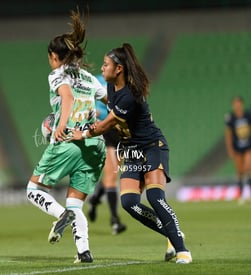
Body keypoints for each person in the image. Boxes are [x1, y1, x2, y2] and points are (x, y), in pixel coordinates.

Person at [71, 43, 192, 264]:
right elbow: (109, 120)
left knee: (155, 198)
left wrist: (83, 133)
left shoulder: (129, 95)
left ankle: (182, 250)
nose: (102, 67)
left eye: (106, 64)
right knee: (129, 203)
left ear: (118, 69)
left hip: (152, 147)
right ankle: (172, 234)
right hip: (133, 152)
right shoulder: (111, 89)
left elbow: (106, 125)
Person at [26, 9, 107, 263]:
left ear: (54, 56)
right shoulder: (89, 78)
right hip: (95, 145)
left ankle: (62, 215)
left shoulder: (57, 74)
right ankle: (83, 251)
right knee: (76, 202)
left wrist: (61, 126)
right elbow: (111, 104)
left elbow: (67, 97)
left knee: (33, 189)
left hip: (68, 140)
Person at [88, 94, 127, 235]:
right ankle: (115, 220)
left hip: (121, 131)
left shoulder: (126, 85)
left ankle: (94, 200)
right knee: (111, 177)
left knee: (112, 175)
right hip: (105, 129)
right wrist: (92, 112)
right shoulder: (99, 80)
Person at [224, 96, 251, 202]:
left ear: (242, 104)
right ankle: (241, 193)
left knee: (248, 168)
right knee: (240, 171)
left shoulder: (248, 116)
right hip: (237, 148)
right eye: (235, 103)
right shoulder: (231, 118)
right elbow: (228, 135)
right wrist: (230, 149)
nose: (237, 105)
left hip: (248, 146)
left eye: (238, 103)